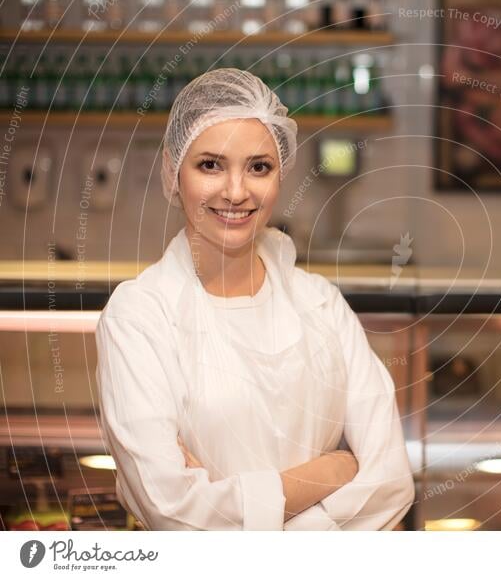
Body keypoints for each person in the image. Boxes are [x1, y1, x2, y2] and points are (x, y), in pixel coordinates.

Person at [95, 68, 415, 530]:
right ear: (172, 171)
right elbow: (170, 511)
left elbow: (390, 483)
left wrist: (242, 515)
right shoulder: (140, 316)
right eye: (210, 165)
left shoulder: (320, 304)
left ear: (280, 173)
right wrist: (333, 471)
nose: (237, 191)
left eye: (259, 167)